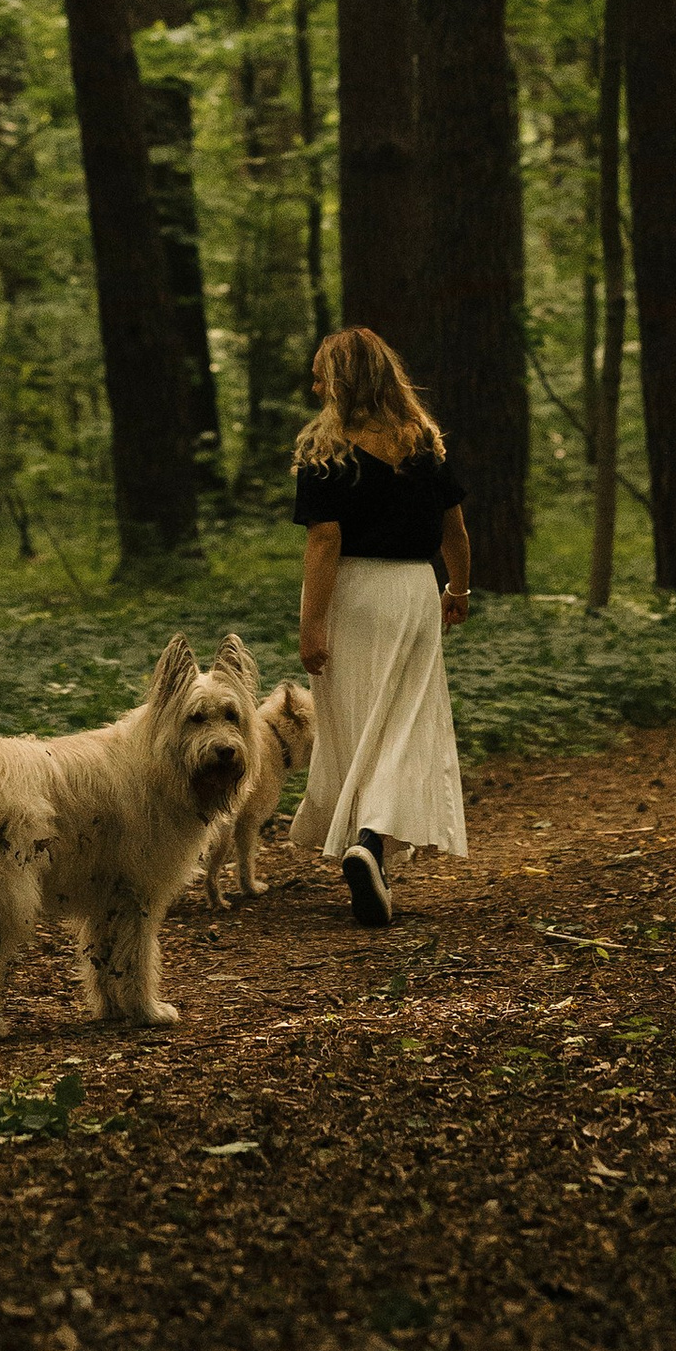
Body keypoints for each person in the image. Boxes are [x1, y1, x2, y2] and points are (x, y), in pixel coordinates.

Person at [286, 326, 471, 925]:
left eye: (321, 373)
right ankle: (372, 845)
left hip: (351, 594)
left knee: (356, 725)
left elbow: (324, 540)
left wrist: (311, 623)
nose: (313, 383)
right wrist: (458, 588)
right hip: (414, 591)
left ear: (341, 382)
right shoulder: (424, 445)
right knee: (405, 726)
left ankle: (366, 846)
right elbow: (455, 532)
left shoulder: (325, 451)